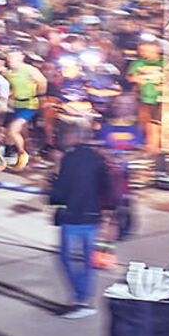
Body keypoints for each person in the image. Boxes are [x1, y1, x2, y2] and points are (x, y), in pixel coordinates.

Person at [47, 119, 109, 318]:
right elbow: (104, 185)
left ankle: (80, 299)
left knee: (66, 258)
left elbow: (61, 189)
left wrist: (53, 191)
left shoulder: (68, 159)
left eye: (65, 135)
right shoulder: (97, 158)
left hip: (72, 216)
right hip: (92, 216)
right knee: (88, 260)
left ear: (74, 136)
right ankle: (85, 299)